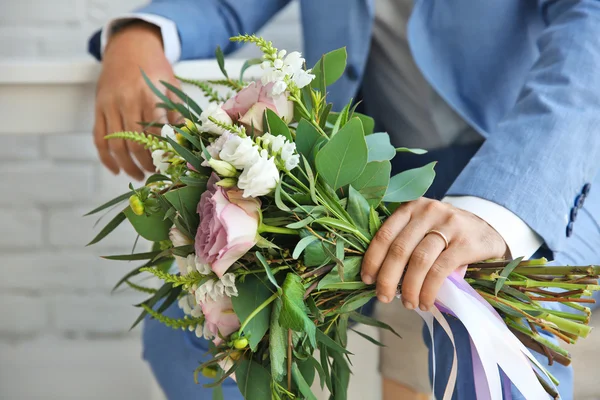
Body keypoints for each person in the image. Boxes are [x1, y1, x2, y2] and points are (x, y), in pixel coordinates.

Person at [88, 0, 600, 399]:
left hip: (535, 169)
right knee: (195, 328)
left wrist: (495, 209)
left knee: (482, 325)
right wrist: (141, 35)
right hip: (369, 180)